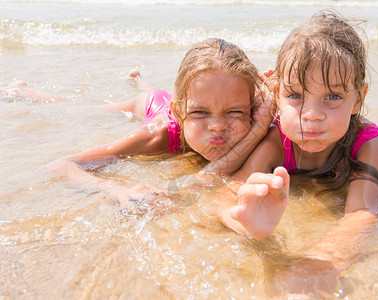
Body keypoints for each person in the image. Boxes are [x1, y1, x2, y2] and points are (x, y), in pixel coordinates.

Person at [218, 12, 378, 296]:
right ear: (277, 92)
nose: (311, 115)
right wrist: (243, 221)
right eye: (295, 96)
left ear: (358, 98)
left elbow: (362, 213)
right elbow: (226, 194)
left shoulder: (369, 143)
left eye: (333, 96)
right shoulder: (276, 141)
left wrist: (320, 263)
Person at [9, 38, 274, 211]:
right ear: (180, 112)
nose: (217, 126)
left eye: (234, 112)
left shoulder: (256, 122)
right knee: (75, 108)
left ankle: (138, 77)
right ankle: (24, 90)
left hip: (175, 99)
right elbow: (59, 165)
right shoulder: (159, 134)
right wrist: (116, 190)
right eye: (200, 113)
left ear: (252, 108)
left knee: (153, 87)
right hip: (151, 104)